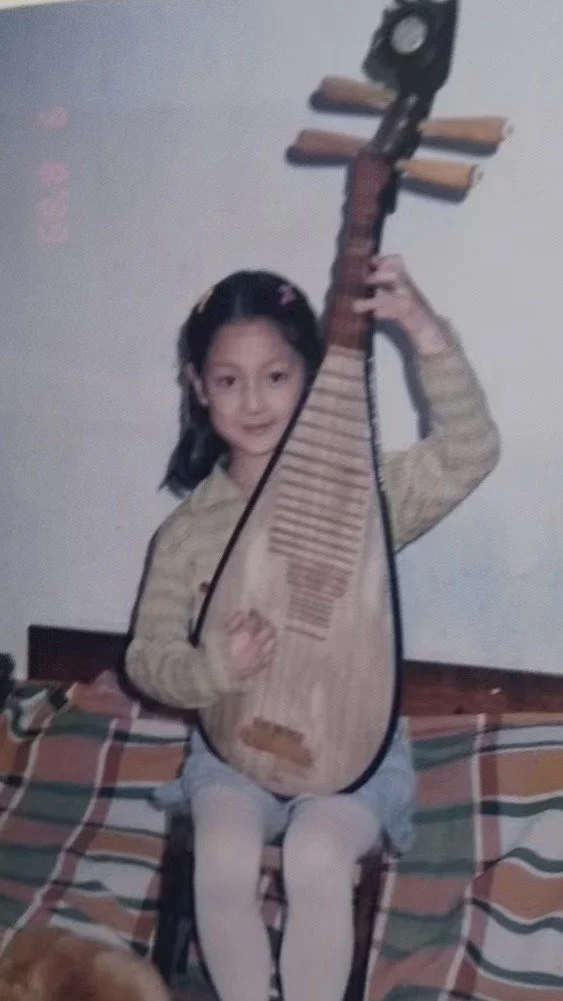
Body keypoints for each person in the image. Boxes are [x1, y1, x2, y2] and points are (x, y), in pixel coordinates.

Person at [125, 256, 500, 1001]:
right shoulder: (186, 534)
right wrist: (211, 668)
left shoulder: (363, 496)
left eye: (276, 375)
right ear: (200, 390)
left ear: (312, 378)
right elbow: (145, 656)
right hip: (233, 741)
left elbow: (469, 453)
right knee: (224, 855)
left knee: (316, 855)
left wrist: (424, 331)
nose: (254, 400)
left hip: (352, 746)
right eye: (228, 380)